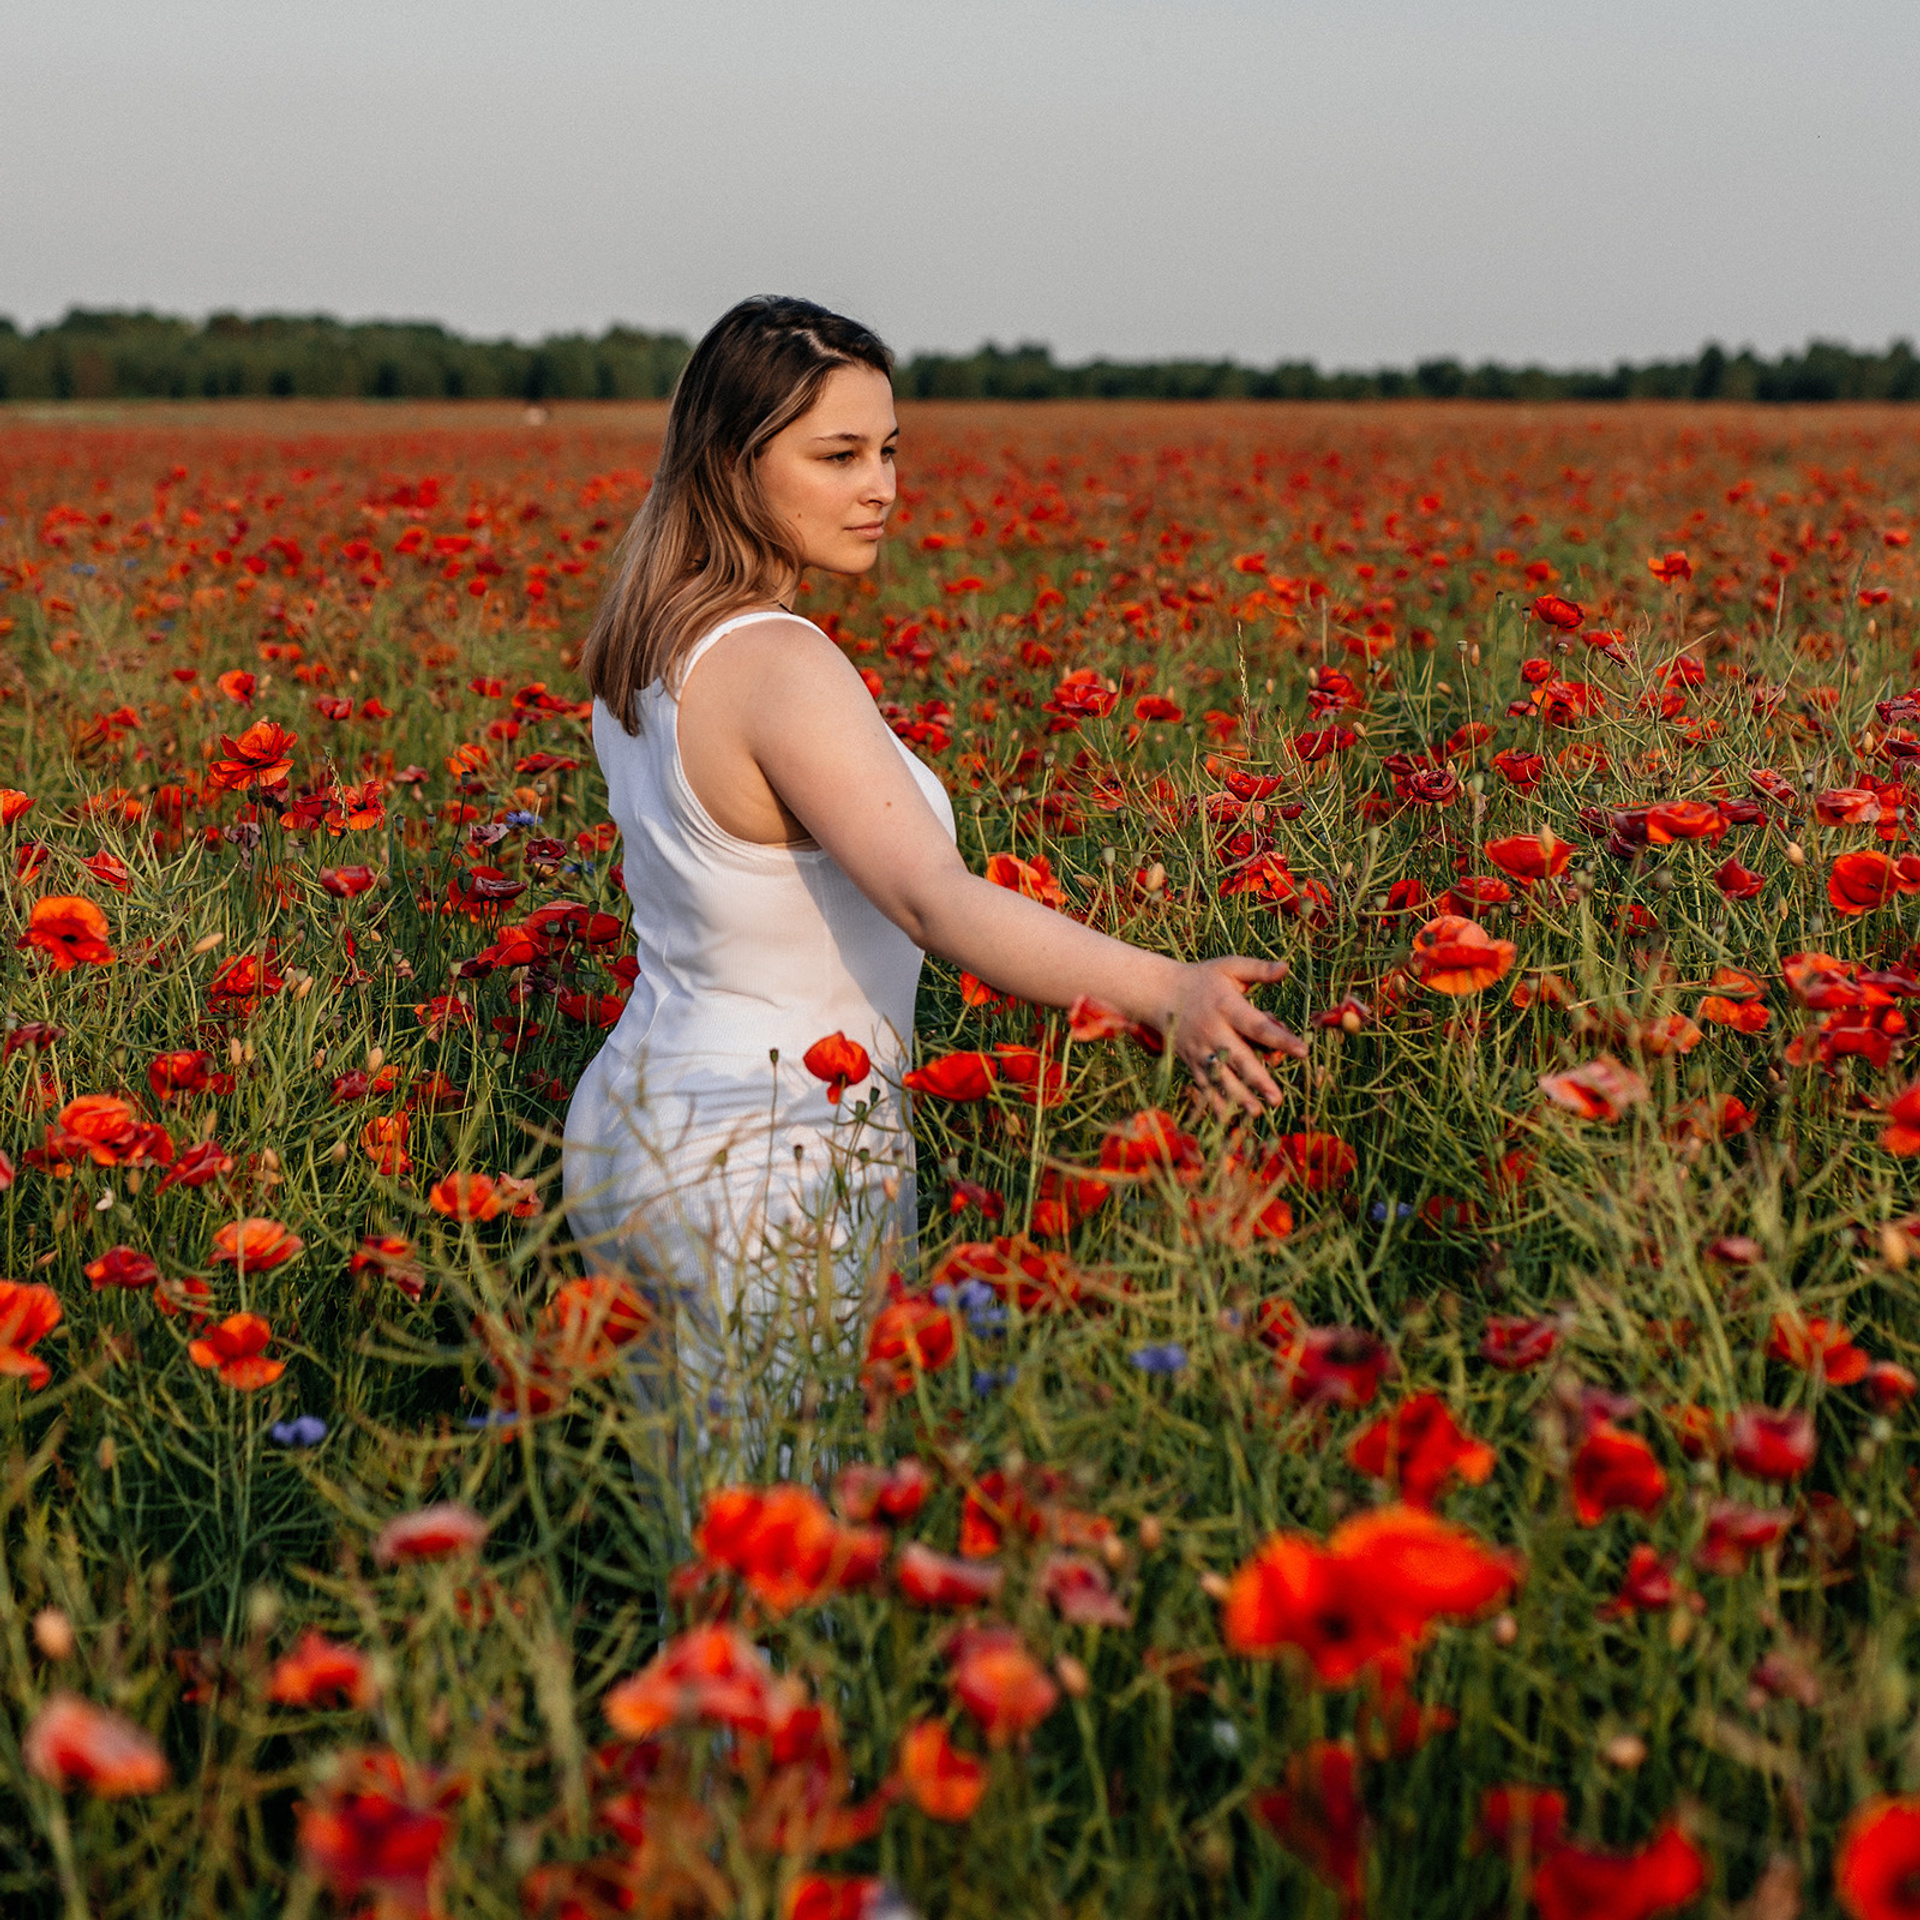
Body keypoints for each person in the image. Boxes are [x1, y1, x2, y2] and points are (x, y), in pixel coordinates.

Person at [561, 295, 1292, 1472]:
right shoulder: (777, 661)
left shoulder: (645, 646)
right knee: (798, 1573)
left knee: (696, 1552)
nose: (881, 485)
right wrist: (1168, 991)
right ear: (731, 466)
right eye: (838, 454)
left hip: (635, 1127)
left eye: (890, 448)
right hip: (770, 1154)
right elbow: (932, 899)